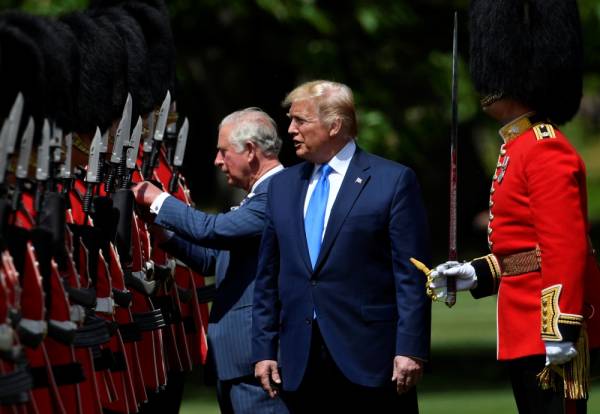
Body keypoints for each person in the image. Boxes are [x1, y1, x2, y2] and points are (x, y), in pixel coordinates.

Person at [427, 1, 600, 413]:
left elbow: (565, 247)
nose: (484, 86)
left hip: (547, 327)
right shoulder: (517, 148)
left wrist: (562, 325)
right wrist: (475, 273)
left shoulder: (544, 149)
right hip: (522, 325)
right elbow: (522, 250)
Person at [252, 80, 430, 413]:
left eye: (300, 120)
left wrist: (411, 348)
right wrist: (263, 349)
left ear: (335, 124)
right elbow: (267, 277)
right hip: (300, 360)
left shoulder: (392, 181)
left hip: (371, 358)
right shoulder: (282, 187)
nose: (290, 130)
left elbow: (411, 276)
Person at [131, 107, 289, 414]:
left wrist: (156, 198)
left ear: (251, 151)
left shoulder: (277, 192)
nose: (218, 161)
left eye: (223, 151)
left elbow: (212, 231)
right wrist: (160, 231)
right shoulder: (261, 195)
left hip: (255, 359)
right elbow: (212, 260)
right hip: (238, 360)